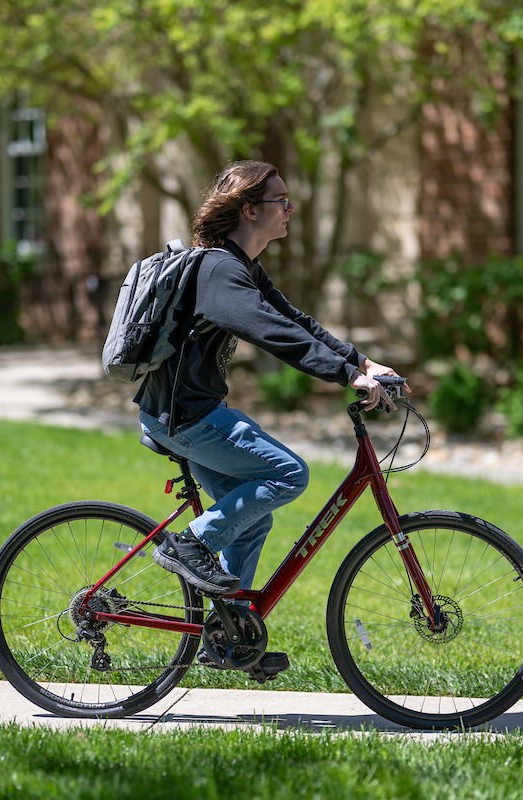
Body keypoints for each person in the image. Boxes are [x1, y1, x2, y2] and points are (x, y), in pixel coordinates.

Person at [140, 160, 406, 676]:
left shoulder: (240, 265)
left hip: (192, 412)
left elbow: (292, 319)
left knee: (253, 514)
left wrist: (362, 362)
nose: (289, 209)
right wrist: (343, 375)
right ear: (250, 209)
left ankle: (231, 635)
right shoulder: (218, 270)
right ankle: (190, 544)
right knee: (288, 473)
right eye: (281, 200)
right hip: (185, 419)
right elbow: (268, 331)